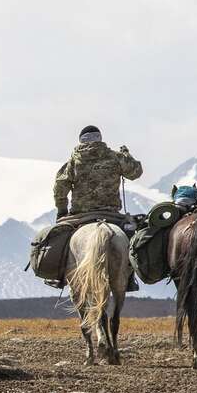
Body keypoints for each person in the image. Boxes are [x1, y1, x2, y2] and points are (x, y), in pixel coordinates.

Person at [53, 124, 143, 290]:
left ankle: (59, 276)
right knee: (132, 239)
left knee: (62, 239)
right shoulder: (116, 157)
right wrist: (126, 154)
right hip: (111, 214)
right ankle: (129, 277)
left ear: (81, 141)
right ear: (100, 138)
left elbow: (60, 188)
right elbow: (135, 172)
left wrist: (62, 211)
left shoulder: (73, 161)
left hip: (80, 215)